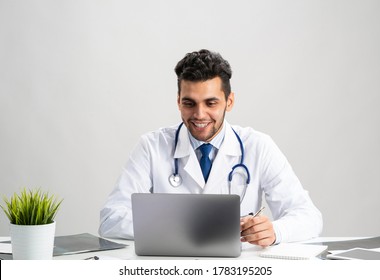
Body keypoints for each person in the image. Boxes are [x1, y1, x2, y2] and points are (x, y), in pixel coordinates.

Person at [99, 49, 323, 247]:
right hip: (170, 268)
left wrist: (275, 231)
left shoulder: (258, 146)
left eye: (211, 103)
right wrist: (189, 227)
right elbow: (111, 220)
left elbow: (309, 217)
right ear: (178, 102)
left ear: (229, 101)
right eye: (189, 103)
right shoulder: (152, 146)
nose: (199, 114)